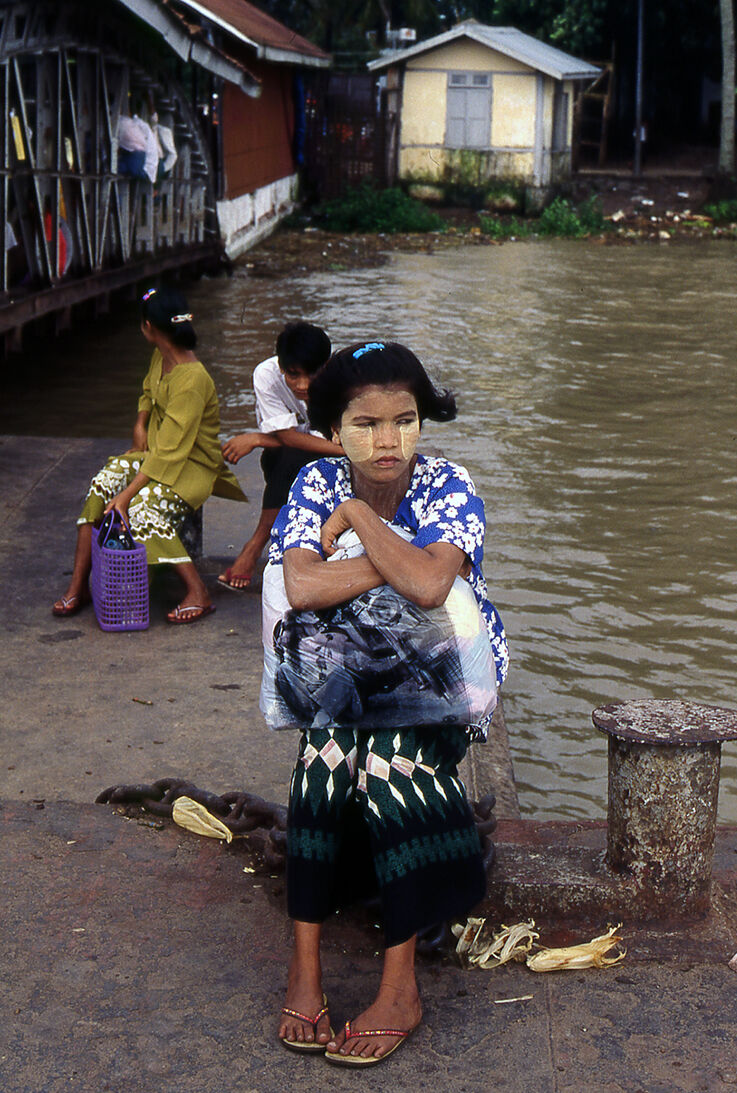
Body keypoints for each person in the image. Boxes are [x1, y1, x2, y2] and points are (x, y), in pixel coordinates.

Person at [270, 340, 509, 1065]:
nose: (388, 440)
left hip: (441, 680)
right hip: (343, 673)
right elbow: (303, 589)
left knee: (387, 763)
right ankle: (303, 970)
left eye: (404, 420)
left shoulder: (446, 482)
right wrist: (399, 563)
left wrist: (357, 519)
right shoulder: (310, 481)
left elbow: (432, 590)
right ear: (333, 428)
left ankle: (399, 984)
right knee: (323, 759)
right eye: (366, 423)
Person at [52, 285, 246, 624]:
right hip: (159, 455)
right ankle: (78, 585)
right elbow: (147, 391)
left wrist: (127, 496)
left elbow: (171, 454)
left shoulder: (192, 380)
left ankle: (198, 592)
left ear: (149, 327)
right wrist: (141, 424)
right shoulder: (163, 353)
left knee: (141, 512)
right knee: (101, 484)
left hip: (191, 468)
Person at [218, 322, 341, 590]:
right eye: (293, 375)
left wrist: (257, 438)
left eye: (312, 374)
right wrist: (266, 439)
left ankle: (255, 546)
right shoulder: (266, 374)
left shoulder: (342, 374)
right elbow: (286, 436)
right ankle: (284, 541)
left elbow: (336, 436)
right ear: (281, 367)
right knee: (277, 458)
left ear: (327, 364)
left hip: (341, 457)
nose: (302, 385)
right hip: (315, 451)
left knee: (290, 456)